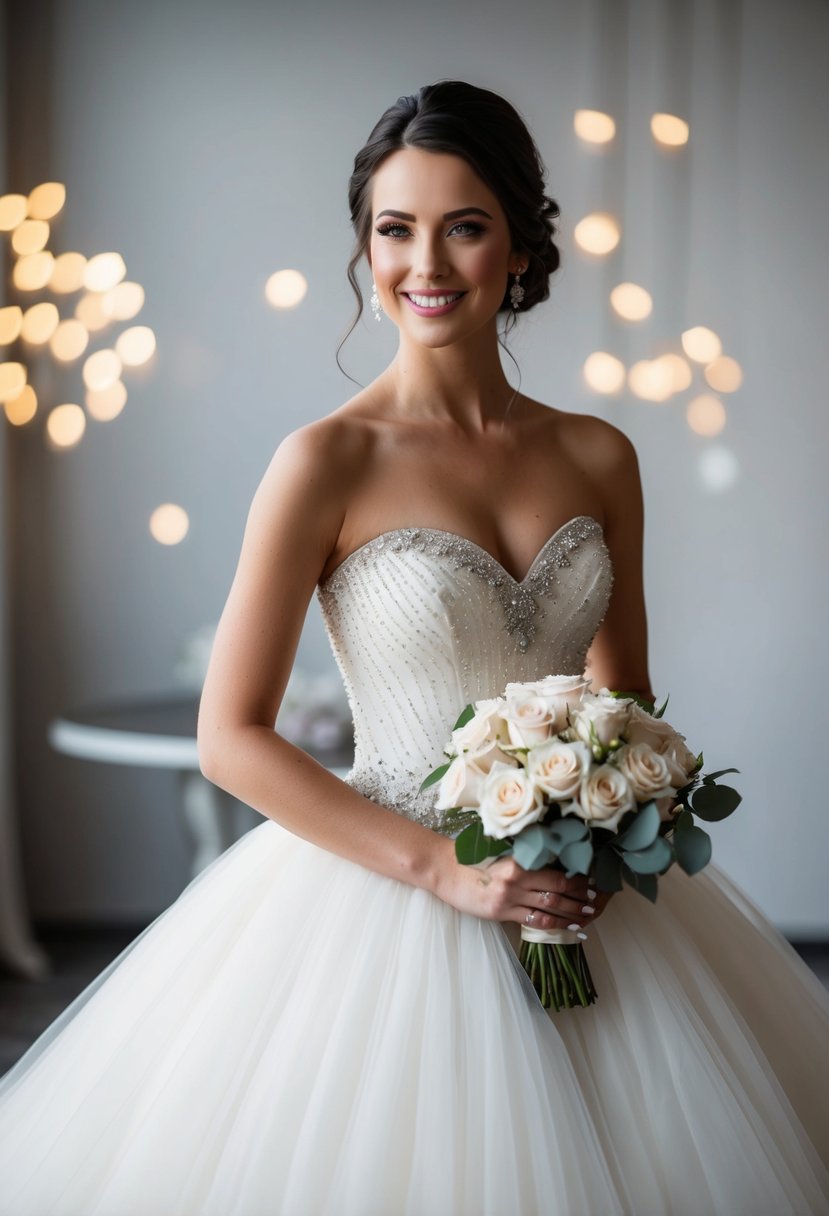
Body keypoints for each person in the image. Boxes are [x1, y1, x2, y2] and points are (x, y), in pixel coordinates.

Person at [0, 79, 827, 1216]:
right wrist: (446, 868)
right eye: (395, 229)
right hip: (384, 898)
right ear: (365, 247)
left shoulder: (599, 456)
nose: (424, 262)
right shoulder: (322, 463)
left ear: (522, 250)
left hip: (574, 892)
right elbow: (230, 738)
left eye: (465, 225)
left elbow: (623, 692)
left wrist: (595, 808)